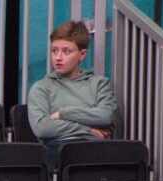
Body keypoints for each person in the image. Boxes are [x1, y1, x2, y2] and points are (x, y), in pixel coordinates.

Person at [28, 20, 118, 169]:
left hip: (95, 150)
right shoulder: (41, 88)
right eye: (54, 50)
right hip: (57, 151)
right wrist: (88, 130)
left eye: (66, 51)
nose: (58, 57)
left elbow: (105, 116)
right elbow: (42, 128)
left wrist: (63, 113)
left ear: (82, 54)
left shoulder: (99, 84)